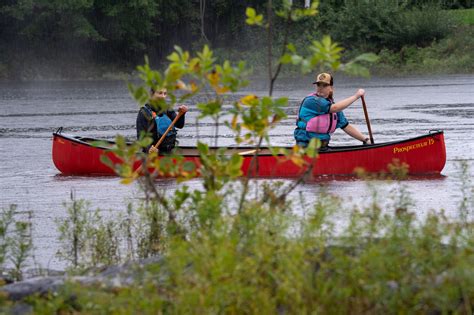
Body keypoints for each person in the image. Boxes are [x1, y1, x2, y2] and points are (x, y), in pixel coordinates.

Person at [294, 72, 369, 150]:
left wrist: (365, 140)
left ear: (331, 88)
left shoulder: (331, 105)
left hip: (322, 147)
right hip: (306, 146)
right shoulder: (312, 101)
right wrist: (356, 96)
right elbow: (335, 108)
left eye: (324, 85)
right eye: (318, 85)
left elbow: (346, 126)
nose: (320, 87)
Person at [136, 88, 188, 154]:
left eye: (165, 93)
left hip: (168, 153)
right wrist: (149, 149)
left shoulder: (167, 109)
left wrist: (182, 114)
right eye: (160, 93)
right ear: (152, 94)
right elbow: (141, 138)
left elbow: (179, 125)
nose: (163, 96)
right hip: (152, 154)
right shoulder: (144, 112)